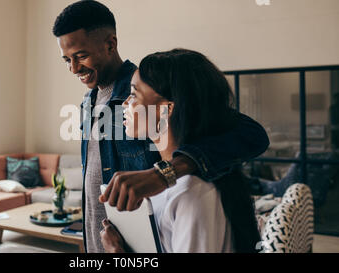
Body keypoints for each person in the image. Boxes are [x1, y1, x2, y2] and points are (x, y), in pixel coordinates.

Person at [52, 0, 269, 253]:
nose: (73, 68)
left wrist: (165, 173)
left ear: (110, 44)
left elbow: (253, 135)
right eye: (66, 59)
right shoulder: (88, 101)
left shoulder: (153, 85)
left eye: (81, 56)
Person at [100, 49, 261, 253]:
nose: (124, 104)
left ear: (166, 109)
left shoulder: (191, 193)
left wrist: (117, 254)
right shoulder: (168, 178)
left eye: (133, 94)